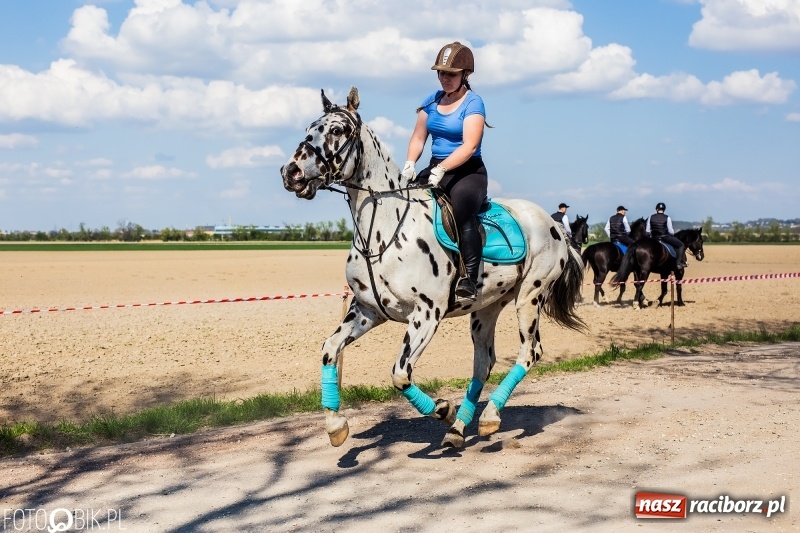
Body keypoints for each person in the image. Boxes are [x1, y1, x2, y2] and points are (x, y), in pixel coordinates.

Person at [401, 42, 488, 302]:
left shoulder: (474, 102)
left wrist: (442, 168)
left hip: (468, 172)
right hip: (435, 167)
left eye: (451, 74)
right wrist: (410, 163)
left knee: (461, 212)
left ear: (466, 75)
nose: (445, 78)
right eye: (441, 73)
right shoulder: (432, 101)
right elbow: (418, 138)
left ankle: (469, 279)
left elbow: (470, 145)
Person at [646, 202, 688, 269]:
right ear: (664, 210)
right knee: (681, 245)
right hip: (665, 237)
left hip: (654, 238)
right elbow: (671, 231)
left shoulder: (650, 217)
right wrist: (671, 235)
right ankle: (678, 263)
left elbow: (647, 231)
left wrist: (652, 236)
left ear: (656, 209)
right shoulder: (667, 218)